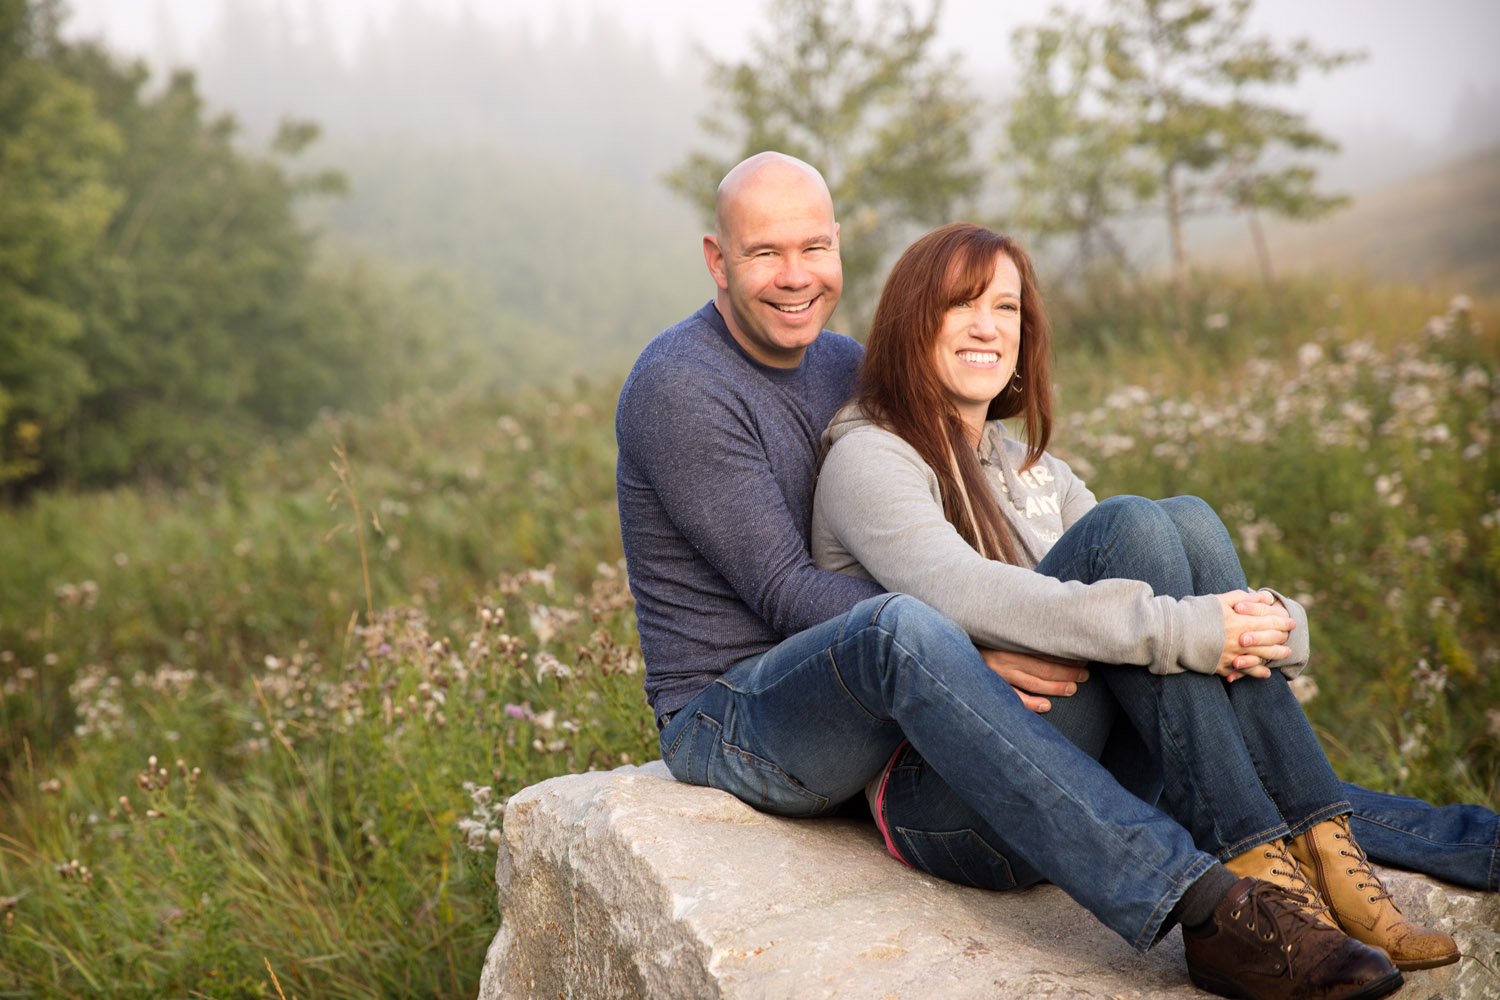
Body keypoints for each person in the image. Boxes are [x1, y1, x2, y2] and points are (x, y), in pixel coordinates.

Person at [616, 151, 1406, 1000]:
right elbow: (782, 589)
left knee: (1150, 524)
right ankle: (1207, 907)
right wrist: (971, 646)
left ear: (840, 246)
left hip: (878, 711)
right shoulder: (681, 386)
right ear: (717, 259)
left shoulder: (843, 360)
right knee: (904, 626)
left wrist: (1256, 625)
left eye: (814, 248)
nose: (795, 276)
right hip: (735, 706)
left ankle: (1299, 844)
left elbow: (1031, 562)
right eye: (765, 253)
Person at [811, 222, 1498, 974]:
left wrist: (1279, 624)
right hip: (954, 799)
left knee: (1187, 523)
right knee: (1134, 526)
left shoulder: (1036, 470)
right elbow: (961, 588)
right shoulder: (869, 455)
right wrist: (1191, 630)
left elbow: (1167, 584)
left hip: (1080, 768)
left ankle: (1317, 848)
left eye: (1005, 308)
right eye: (960, 305)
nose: (987, 327)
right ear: (913, 322)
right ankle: (1257, 873)